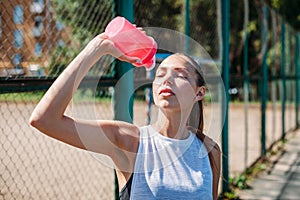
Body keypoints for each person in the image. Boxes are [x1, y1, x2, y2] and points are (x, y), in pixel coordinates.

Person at [29, 32, 221, 200]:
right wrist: (99, 47)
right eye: (160, 74)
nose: (167, 79)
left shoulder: (210, 151)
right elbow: (45, 120)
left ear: (199, 92)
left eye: (181, 75)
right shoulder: (131, 141)